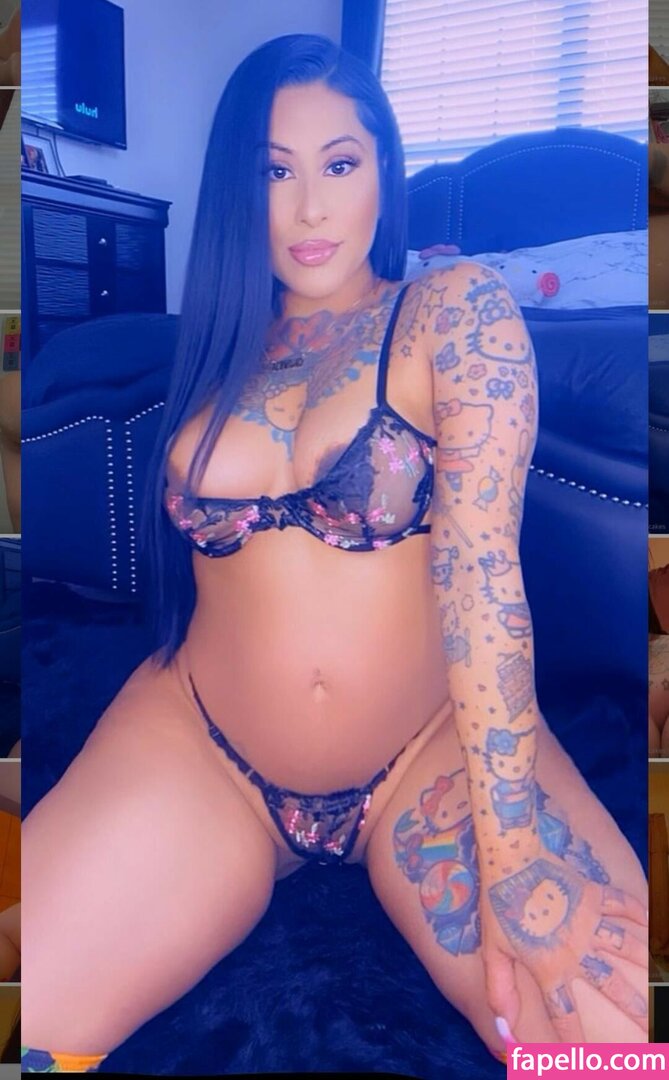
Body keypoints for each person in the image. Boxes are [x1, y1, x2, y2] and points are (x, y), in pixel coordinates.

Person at [22, 34, 647, 1074]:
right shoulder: (216, 344)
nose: (310, 208)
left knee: (614, 1040)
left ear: (385, 171)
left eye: (340, 163)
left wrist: (514, 856)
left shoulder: (453, 312)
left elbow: (483, 574)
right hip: (203, 749)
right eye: (274, 171)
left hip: (429, 753)